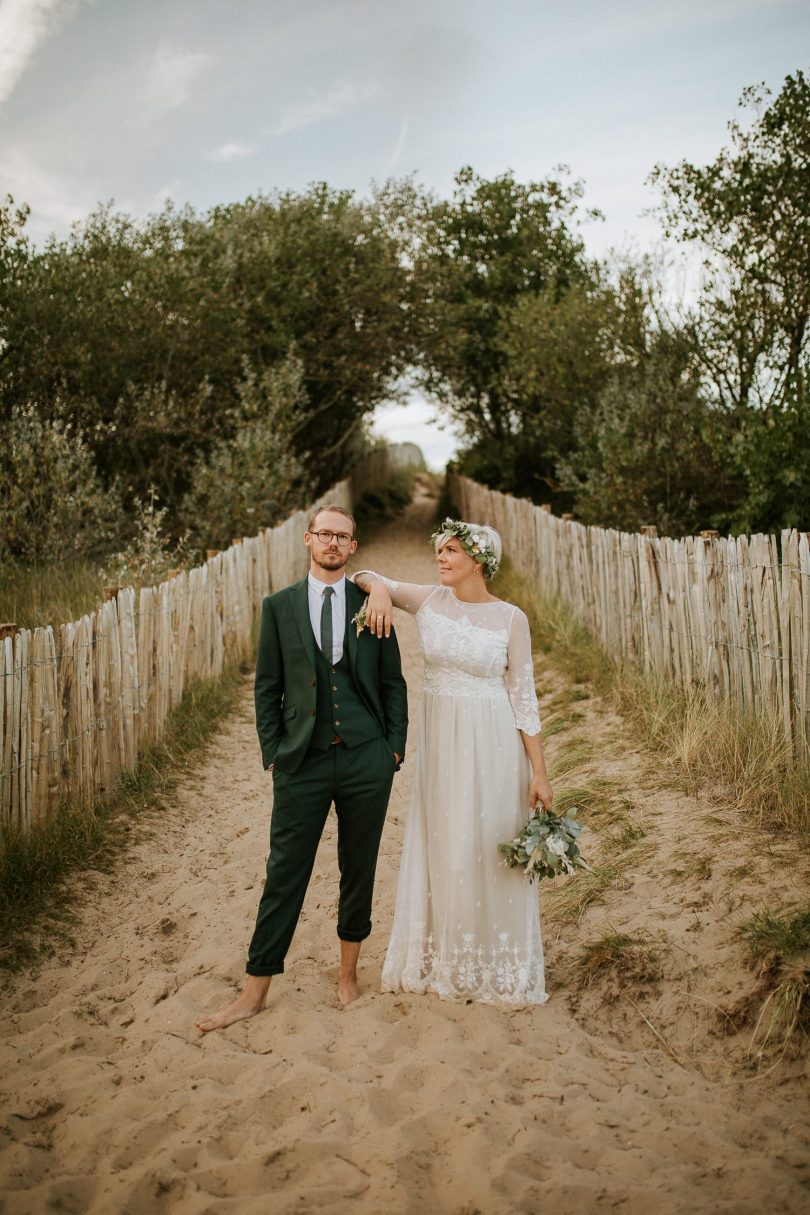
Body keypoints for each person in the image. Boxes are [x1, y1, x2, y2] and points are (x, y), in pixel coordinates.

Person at [197, 505, 408, 1032]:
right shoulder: (279, 606)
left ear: (353, 547)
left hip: (366, 759)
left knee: (358, 868)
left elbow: (393, 683)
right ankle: (254, 989)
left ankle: (347, 977)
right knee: (284, 872)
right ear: (308, 540)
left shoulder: (370, 601)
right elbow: (266, 687)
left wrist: (393, 750)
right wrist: (274, 751)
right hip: (302, 760)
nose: (333, 543)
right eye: (325, 534)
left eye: (343, 536)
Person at [353, 518, 552, 1006]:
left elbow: (523, 698)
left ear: (479, 561)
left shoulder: (511, 618)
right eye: (439, 550)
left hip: (495, 744)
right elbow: (362, 571)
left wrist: (540, 773)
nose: (441, 558)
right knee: (445, 840)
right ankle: (447, 954)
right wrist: (378, 590)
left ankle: (496, 960)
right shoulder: (427, 600)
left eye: (452, 552)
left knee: (488, 842)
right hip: (443, 746)